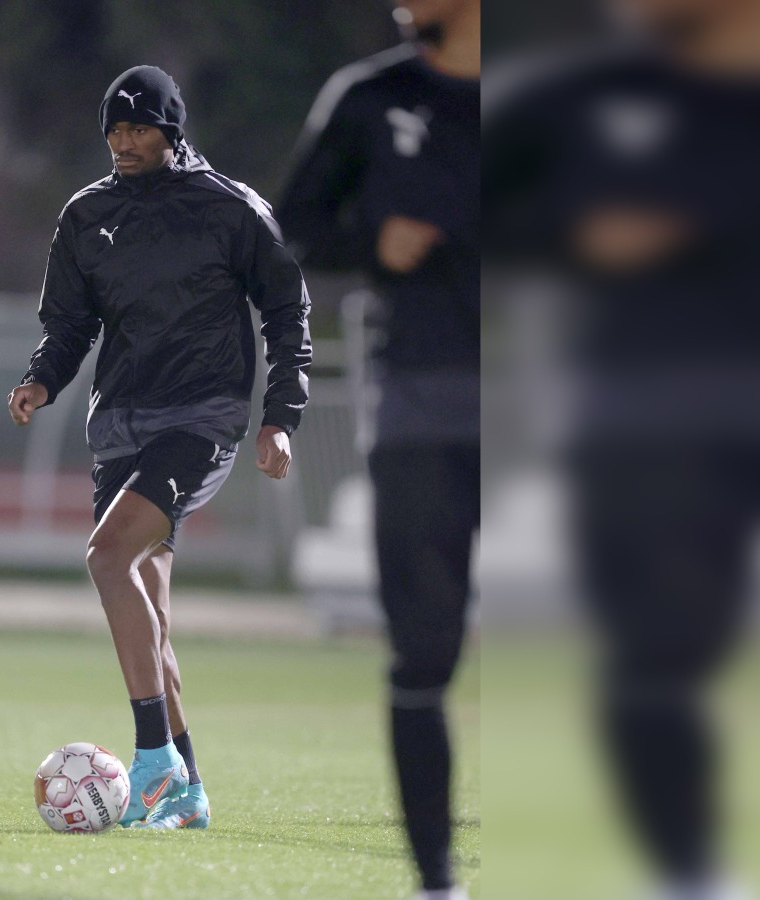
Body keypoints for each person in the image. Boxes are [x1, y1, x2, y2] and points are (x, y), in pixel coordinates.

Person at [484, 1, 760, 897]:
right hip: (651, 415)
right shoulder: (579, 98)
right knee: (659, 649)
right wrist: (575, 232)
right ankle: (689, 877)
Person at [7, 65, 312, 830]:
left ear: (172, 133)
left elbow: (286, 311)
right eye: (114, 130)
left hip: (202, 418)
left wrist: (280, 416)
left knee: (108, 556)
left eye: (139, 129)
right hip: (118, 425)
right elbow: (69, 324)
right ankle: (189, 792)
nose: (124, 142)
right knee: (154, 620)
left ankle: (150, 759)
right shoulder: (87, 214)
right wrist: (41, 379)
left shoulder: (230, 209)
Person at [277, 2, 479, 897]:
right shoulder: (368, 97)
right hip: (422, 406)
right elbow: (292, 226)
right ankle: (437, 880)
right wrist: (372, 242)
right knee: (423, 653)